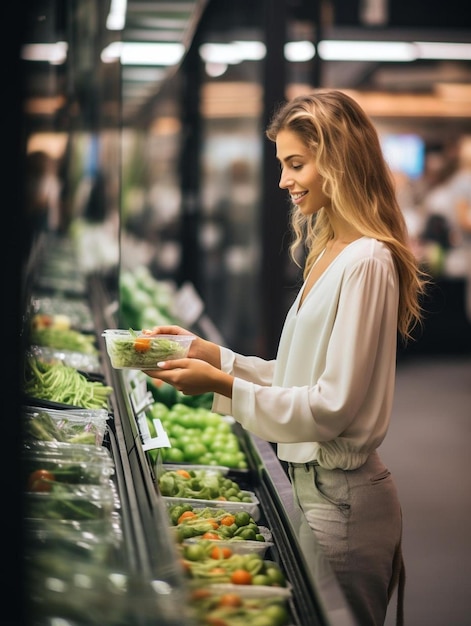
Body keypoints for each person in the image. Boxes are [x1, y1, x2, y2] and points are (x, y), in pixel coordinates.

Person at [144, 89, 428, 626]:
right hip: (313, 491)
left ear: (338, 159)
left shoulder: (367, 260)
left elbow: (331, 407)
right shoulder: (328, 249)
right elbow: (302, 378)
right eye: (282, 164)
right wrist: (219, 359)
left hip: (341, 502)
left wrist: (223, 386)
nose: (283, 181)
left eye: (296, 164)